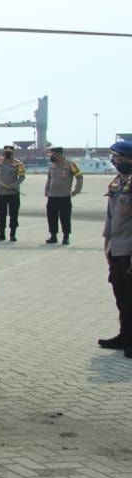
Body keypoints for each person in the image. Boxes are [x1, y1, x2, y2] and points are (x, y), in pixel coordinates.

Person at [98, 139, 132, 354]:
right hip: (116, 248)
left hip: (129, 249)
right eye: (115, 159)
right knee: (121, 295)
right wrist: (107, 243)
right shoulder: (117, 183)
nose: (116, 162)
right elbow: (111, 218)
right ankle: (125, 336)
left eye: (119, 159)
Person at [43, 146, 83, 245]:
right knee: (51, 217)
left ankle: (66, 237)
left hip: (64, 196)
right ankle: (53, 236)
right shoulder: (52, 166)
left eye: (53, 154)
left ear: (59, 154)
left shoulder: (70, 164)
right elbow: (49, 179)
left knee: (65, 218)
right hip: (52, 196)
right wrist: (46, 189)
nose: (51, 156)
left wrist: (76, 190)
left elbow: (79, 177)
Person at [0, 145, 25, 242]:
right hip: (1, 193)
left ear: (13, 153)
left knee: (13, 214)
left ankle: (12, 234)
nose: (7, 154)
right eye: (6, 152)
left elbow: (22, 177)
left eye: (9, 152)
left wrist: (14, 185)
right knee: (1, 214)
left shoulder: (18, 163)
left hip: (13, 193)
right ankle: (1, 234)